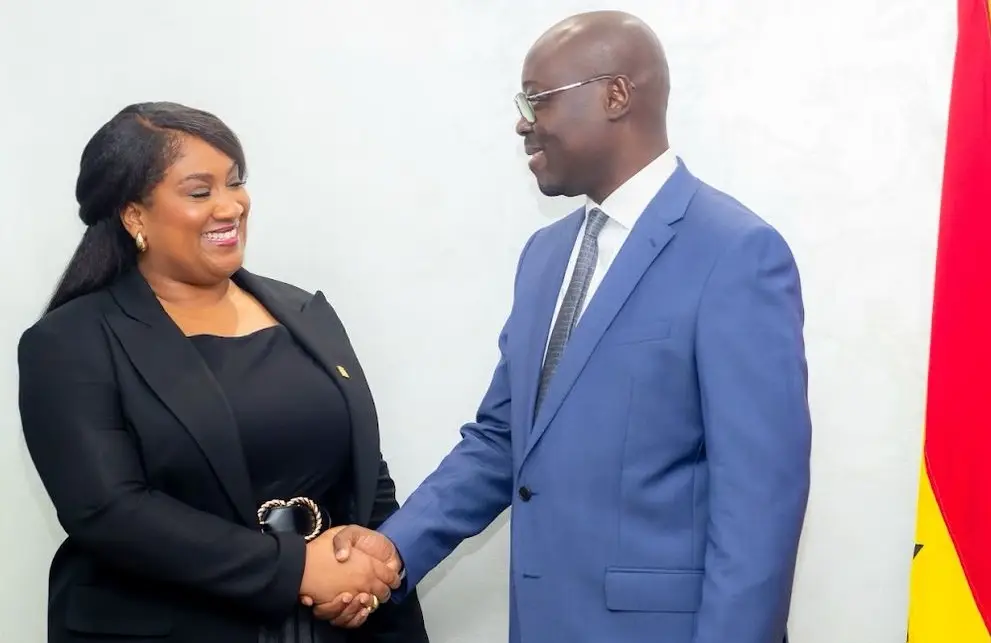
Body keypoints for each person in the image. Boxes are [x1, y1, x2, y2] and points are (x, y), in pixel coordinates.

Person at [320, 10, 812, 643]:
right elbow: (504, 438)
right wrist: (393, 550)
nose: (523, 122)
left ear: (615, 96)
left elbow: (759, 506)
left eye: (538, 99)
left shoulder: (735, 253)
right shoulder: (545, 256)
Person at [17, 101, 429, 643]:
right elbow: (111, 512)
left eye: (235, 183)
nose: (230, 206)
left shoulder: (305, 311)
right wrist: (296, 570)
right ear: (134, 215)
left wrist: (373, 565)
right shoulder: (70, 341)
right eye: (199, 192)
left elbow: (363, 471)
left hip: (338, 625)